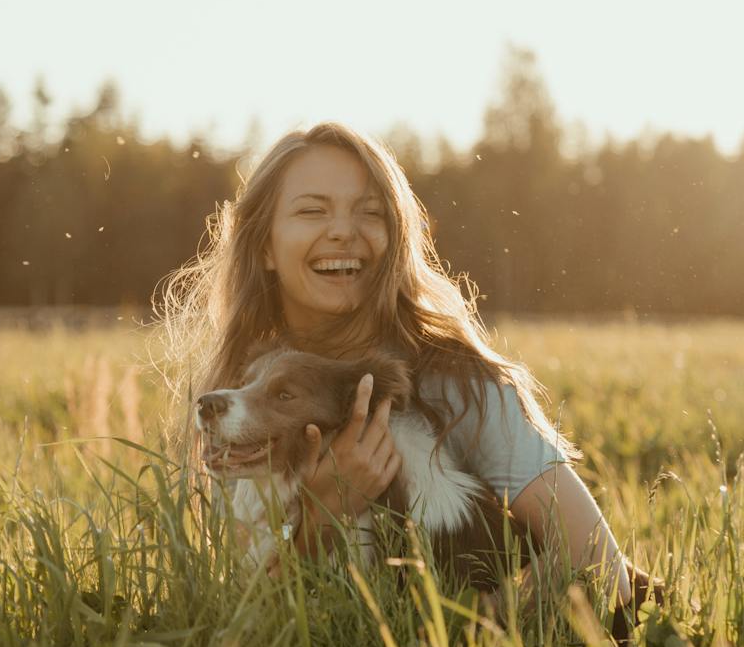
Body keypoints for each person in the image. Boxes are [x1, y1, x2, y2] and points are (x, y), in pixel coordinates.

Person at [159, 121, 638, 611]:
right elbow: (247, 610)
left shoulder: (459, 383)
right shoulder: (236, 396)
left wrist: (461, 635)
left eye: (371, 212)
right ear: (263, 246)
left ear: (396, 238)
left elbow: (603, 567)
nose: (343, 231)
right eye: (312, 210)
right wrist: (323, 514)